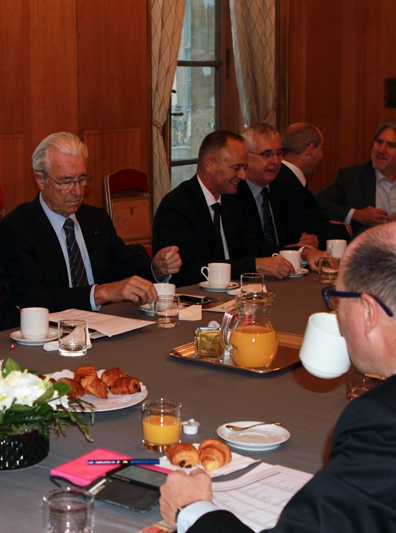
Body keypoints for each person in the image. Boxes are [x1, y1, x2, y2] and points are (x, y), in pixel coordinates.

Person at [159, 221, 396, 531]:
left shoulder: (382, 419)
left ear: (367, 312)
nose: (335, 313)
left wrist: (194, 510)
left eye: (337, 299)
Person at [0, 132, 181, 329]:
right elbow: (31, 297)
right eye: (66, 181)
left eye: (82, 178)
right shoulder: (16, 228)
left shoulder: (95, 219)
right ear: (41, 180)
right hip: (45, 336)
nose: (78, 191)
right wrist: (99, 293)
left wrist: (156, 269)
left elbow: (124, 266)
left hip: (103, 330)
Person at [153, 131, 321, 286]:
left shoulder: (229, 200)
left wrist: (302, 252)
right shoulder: (177, 206)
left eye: (245, 168)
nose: (243, 176)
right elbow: (190, 269)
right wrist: (254, 265)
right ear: (210, 164)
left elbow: (252, 247)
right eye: (237, 168)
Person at [236, 123, 320, 249]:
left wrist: (306, 242)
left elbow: (294, 236)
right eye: (266, 154)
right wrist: (294, 250)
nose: (275, 161)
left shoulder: (284, 187)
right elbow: (247, 248)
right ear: (245, 156)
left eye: (279, 153)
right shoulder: (234, 194)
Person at [315, 121, 396, 236]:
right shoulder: (352, 177)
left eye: (391, 145)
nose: (381, 150)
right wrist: (356, 214)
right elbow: (317, 202)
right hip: (366, 250)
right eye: (379, 142)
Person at [277, 122, 351, 244]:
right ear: (310, 149)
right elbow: (315, 230)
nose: (322, 154)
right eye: (321, 148)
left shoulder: (284, 177)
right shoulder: (289, 183)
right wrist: (344, 229)